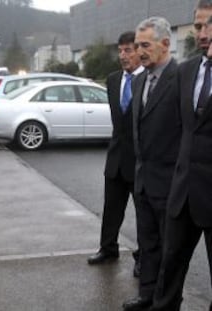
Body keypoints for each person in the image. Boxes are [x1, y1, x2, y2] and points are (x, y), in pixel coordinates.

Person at [151, 1, 212, 310]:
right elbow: (174, 129)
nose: (202, 33)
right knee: (170, 268)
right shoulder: (186, 70)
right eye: (198, 26)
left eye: (208, 25)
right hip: (183, 193)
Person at [122, 17, 181, 311]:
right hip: (143, 181)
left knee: (171, 252)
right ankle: (146, 295)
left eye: (145, 45)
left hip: (171, 185)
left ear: (165, 44)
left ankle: (165, 302)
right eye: (137, 45)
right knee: (147, 244)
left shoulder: (180, 78)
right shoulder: (140, 79)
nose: (139, 51)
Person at [87, 31, 143, 278]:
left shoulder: (149, 81)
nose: (123, 55)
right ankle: (108, 249)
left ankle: (143, 258)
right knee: (111, 209)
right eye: (120, 50)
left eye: (128, 50)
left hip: (141, 162)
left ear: (139, 51)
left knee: (144, 215)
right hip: (115, 160)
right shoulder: (112, 80)